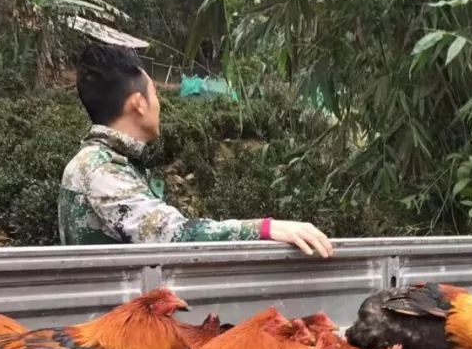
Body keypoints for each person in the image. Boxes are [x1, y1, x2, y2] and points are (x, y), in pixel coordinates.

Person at [59, 43, 333, 257]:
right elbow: (172, 234)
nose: (159, 104)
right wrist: (264, 228)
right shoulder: (99, 171)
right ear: (138, 104)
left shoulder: (112, 163)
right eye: (156, 95)